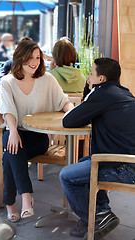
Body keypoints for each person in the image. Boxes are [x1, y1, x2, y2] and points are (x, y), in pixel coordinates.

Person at [0, 37, 74, 223]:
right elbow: (7, 109)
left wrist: (72, 113)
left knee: (10, 153)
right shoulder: (8, 81)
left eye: (37, 58)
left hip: (38, 138)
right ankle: (25, 197)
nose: (34, 62)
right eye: (29, 58)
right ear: (19, 58)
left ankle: (11, 202)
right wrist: (14, 131)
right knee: (11, 142)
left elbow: (63, 101)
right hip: (15, 132)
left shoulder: (47, 79)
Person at [59, 58, 135, 239]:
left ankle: (96, 217)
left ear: (101, 79)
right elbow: (88, 106)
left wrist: (90, 91)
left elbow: (69, 120)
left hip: (122, 167)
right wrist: (89, 89)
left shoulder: (103, 94)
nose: (88, 77)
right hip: (126, 161)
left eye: (91, 74)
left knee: (67, 176)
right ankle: (99, 212)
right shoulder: (123, 92)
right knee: (84, 163)